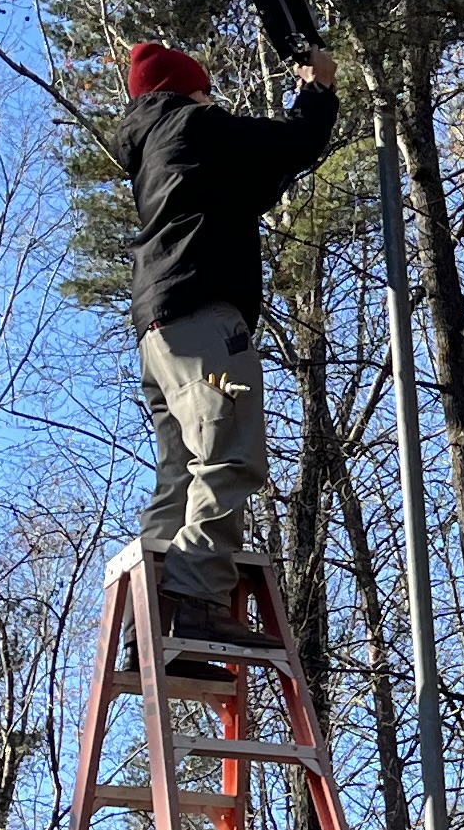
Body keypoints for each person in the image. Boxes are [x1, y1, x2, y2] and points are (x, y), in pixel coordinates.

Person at [109, 34, 339, 657]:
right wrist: (316, 90)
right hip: (205, 314)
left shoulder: (162, 145)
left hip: (158, 330)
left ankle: (151, 621)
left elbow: (249, 184)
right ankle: (200, 604)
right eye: (206, 88)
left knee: (179, 474)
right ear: (189, 88)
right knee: (230, 454)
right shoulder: (197, 123)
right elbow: (288, 145)